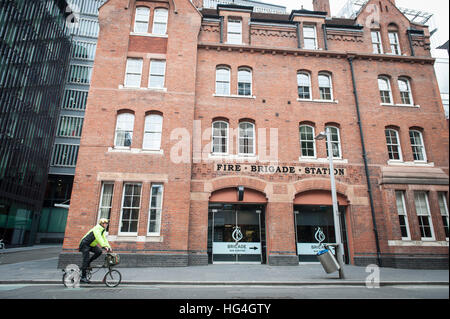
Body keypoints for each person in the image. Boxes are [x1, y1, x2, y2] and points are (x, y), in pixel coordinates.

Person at [79, 218, 112, 283]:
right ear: (101, 224)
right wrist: (104, 246)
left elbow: (104, 239)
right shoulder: (97, 229)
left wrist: (108, 246)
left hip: (91, 245)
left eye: (107, 223)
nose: (106, 225)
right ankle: (83, 277)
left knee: (99, 252)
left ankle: (88, 262)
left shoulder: (102, 230)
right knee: (85, 260)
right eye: (105, 223)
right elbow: (99, 238)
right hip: (85, 244)